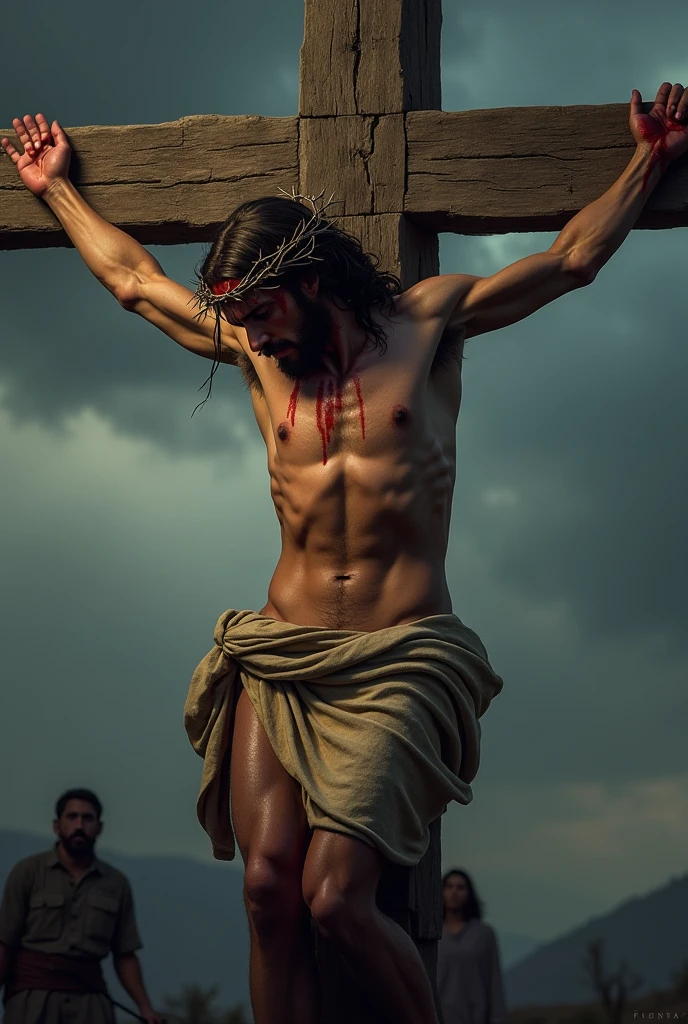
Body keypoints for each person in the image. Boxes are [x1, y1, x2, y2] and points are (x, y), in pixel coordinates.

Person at [2, 83, 686, 1024]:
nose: (250, 333)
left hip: (402, 655)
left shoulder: (428, 326)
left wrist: (649, 157)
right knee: (266, 894)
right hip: (282, 651)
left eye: (264, 310)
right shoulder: (256, 353)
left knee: (335, 900)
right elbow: (132, 282)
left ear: (313, 282)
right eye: (239, 317)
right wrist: (56, 190)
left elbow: (570, 258)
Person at [0, 789, 163, 1024]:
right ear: (57, 825)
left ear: (99, 827)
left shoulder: (116, 883)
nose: (79, 825)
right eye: (72, 817)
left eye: (88, 818)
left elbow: (125, 955)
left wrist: (145, 1008)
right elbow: (5, 944)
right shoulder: (28, 873)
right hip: (32, 1000)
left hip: (90, 1003)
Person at [438, 869, 506, 1024]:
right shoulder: (432, 935)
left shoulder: (483, 934)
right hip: (438, 1016)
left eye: (460, 887)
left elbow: (494, 982)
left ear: (469, 893)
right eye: (449, 886)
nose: (454, 892)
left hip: (475, 1017)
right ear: (441, 891)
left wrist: (497, 1019)